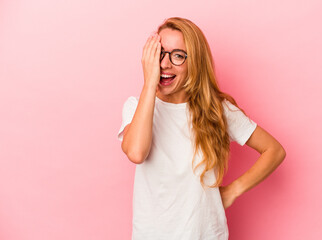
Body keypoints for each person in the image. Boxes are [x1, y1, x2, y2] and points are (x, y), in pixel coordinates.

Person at [117, 17, 286, 240]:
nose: (165, 64)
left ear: (194, 62)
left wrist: (233, 191)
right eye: (159, 54)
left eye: (177, 55)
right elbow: (137, 153)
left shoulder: (217, 110)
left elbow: (274, 151)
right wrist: (149, 84)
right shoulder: (135, 107)